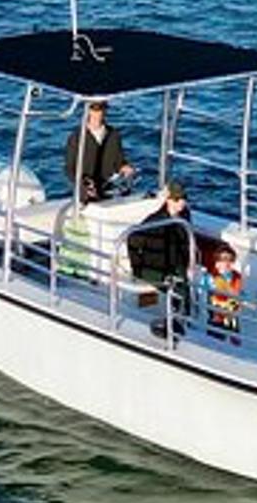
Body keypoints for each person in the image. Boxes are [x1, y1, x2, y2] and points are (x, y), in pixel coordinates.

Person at [127, 180, 195, 330]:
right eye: (177, 199)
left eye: (183, 199)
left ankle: (185, 320)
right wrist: (136, 267)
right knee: (176, 287)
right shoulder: (156, 221)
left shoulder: (184, 216)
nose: (181, 203)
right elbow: (133, 239)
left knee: (184, 287)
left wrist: (189, 262)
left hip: (175, 262)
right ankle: (176, 321)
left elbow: (185, 242)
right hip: (155, 265)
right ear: (169, 200)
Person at [64, 98, 136, 202]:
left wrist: (125, 167)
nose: (98, 113)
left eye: (102, 108)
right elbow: (69, 169)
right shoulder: (76, 137)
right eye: (94, 109)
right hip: (85, 193)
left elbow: (119, 161)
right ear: (88, 111)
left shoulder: (114, 134)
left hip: (109, 189)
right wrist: (82, 184)